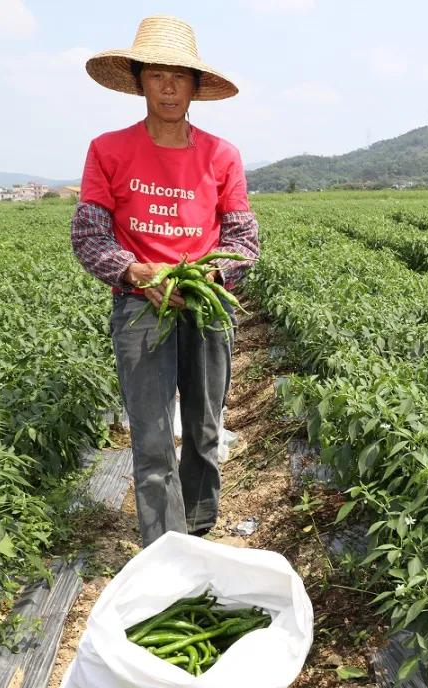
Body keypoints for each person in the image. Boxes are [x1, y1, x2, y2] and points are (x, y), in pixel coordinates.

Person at [70, 15, 259, 546]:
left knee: (203, 430)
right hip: (138, 308)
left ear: (197, 85)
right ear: (139, 82)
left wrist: (207, 277)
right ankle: (164, 546)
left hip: (205, 307)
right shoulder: (108, 150)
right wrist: (134, 270)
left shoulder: (222, 155)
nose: (169, 86)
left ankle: (198, 528)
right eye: (156, 75)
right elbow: (89, 236)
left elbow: (244, 242)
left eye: (179, 75)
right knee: (152, 436)